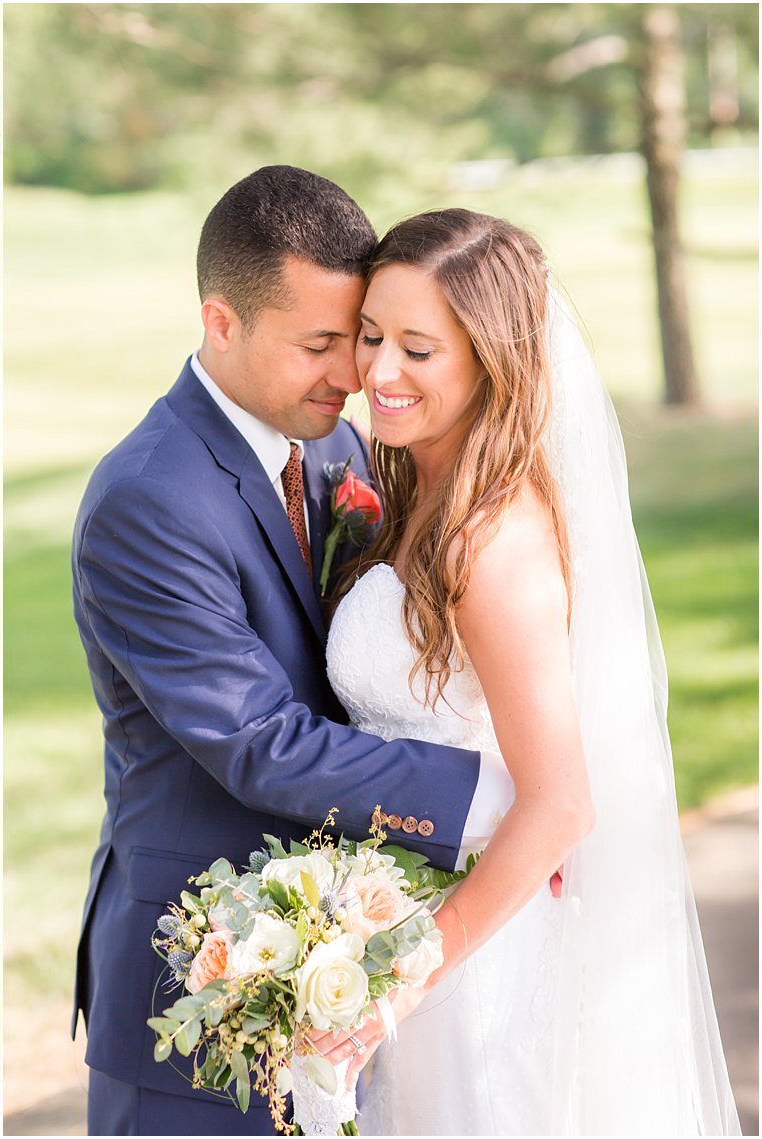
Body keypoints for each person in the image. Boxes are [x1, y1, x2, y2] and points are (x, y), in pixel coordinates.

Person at [70, 166, 513, 1135]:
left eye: (349, 337)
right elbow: (257, 739)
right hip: (200, 985)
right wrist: (494, 797)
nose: (350, 374)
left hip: (345, 970)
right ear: (220, 322)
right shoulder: (149, 495)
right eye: (318, 343)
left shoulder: (333, 448)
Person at [317, 208, 739, 1133]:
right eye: (373, 335)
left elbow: (560, 804)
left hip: (468, 975)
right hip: (407, 929)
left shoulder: (491, 539)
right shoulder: (413, 490)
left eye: (418, 350)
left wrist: (400, 979)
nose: (378, 372)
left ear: (490, 361)